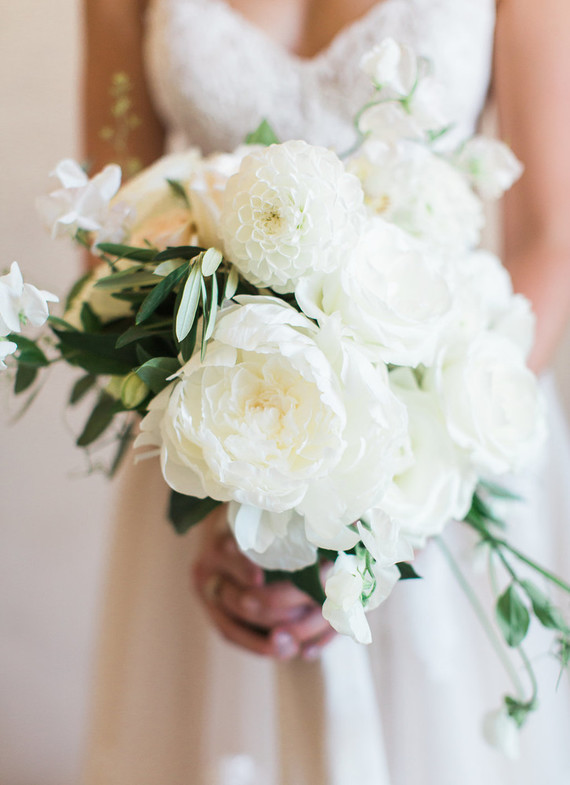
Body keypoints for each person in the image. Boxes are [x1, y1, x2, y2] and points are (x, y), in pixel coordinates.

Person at [82, 1, 570, 783]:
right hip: (220, 446)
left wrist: (374, 515)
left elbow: (552, 235)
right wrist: (244, 499)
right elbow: (109, 237)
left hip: (434, 455)